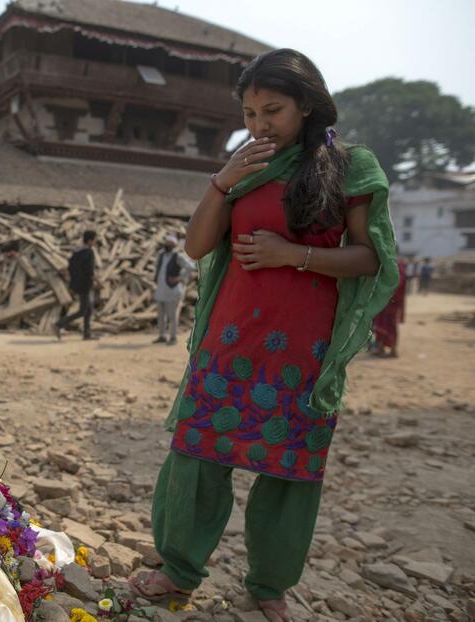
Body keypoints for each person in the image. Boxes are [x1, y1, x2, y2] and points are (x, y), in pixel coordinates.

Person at [130, 49, 398, 622]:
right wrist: (223, 181)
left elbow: (369, 258)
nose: (259, 125)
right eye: (249, 113)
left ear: (306, 104)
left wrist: (292, 254)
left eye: (272, 110)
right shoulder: (247, 164)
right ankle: (179, 568)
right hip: (229, 342)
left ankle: (269, 584)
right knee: (198, 455)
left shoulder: (349, 165)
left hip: (304, 351)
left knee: (288, 471)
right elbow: (197, 246)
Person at [56, 230, 99, 341]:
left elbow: (70, 268)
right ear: (90, 240)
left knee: (88, 310)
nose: (95, 242)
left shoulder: (77, 252)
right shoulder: (89, 252)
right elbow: (89, 271)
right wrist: (97, 282)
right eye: (94, 239)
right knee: (83, 311)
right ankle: (60, 323)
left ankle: (87, 334)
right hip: (85, 284)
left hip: (77, 283)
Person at [153, 235, 195, 345]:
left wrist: (180, 278)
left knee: (172, 316)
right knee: (161, 315)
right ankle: (162, 336)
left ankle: (173, 337)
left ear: (174, 245)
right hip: (161, 290)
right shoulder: (161, 255)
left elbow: (191, 266)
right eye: (166, 242)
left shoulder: (178, 256)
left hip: (173, 291)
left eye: (170, 244)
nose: (167, 245)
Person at [372, 258, 407, 357]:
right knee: (380, 323)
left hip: (392, 301)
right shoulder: (386, 263)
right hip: (383, 299)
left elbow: (398, 282)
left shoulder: (398, 266)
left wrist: (386, 292)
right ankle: (380, 347)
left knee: (390, 324)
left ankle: (393, 349)